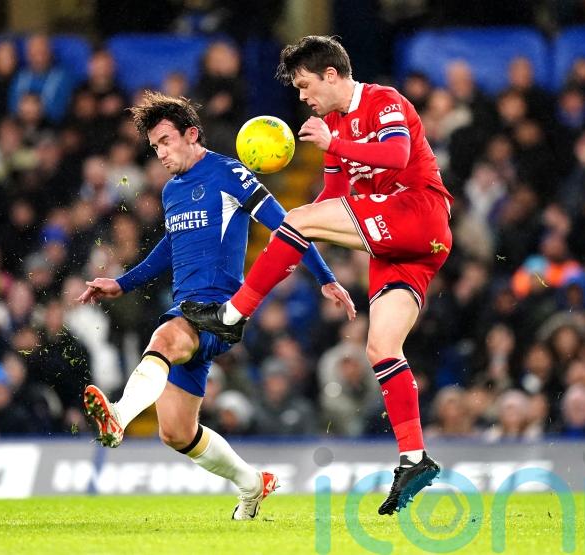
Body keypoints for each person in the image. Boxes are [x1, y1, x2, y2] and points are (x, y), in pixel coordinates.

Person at [181, 35, 454, 515]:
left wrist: (335, 143)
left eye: (306, 86)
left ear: (331, 75)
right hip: (401, 247)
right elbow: (328, 201)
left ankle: (232, 313)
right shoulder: (330, 124)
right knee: (381, 348)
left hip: (418, 212)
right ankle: (414, 457)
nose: (302, 97)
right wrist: (325, 275)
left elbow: (395, 156)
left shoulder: (384, 101)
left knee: (300, 219)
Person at [78, 91, 354, 520]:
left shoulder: (230, 173)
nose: (161, 153)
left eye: (167, 141)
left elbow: (288, 226)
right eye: (155, 147)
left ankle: (119, 416)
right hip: (190, 309)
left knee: (164, 338)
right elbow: (170, 247)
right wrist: (122, 283)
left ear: (192, 133)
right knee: (175, 432)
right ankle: (251, 484)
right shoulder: (172, 191)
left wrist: (326, 278)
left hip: (221, 309)